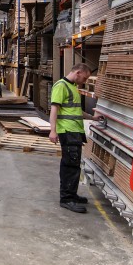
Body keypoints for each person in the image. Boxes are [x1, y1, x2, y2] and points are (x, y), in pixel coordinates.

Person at [48, 63, 101, 213]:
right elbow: (54, 109)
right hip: (67, 130)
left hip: (75, 131)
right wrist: (53, 130)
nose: (84, 81)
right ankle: (66, 199)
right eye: (84, 78)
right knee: (70, 165)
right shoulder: (61, 86)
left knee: (74, 164)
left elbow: (76, 110)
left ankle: (71, 194)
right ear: (78, 73)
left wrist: (92, 118)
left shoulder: (73, 87)